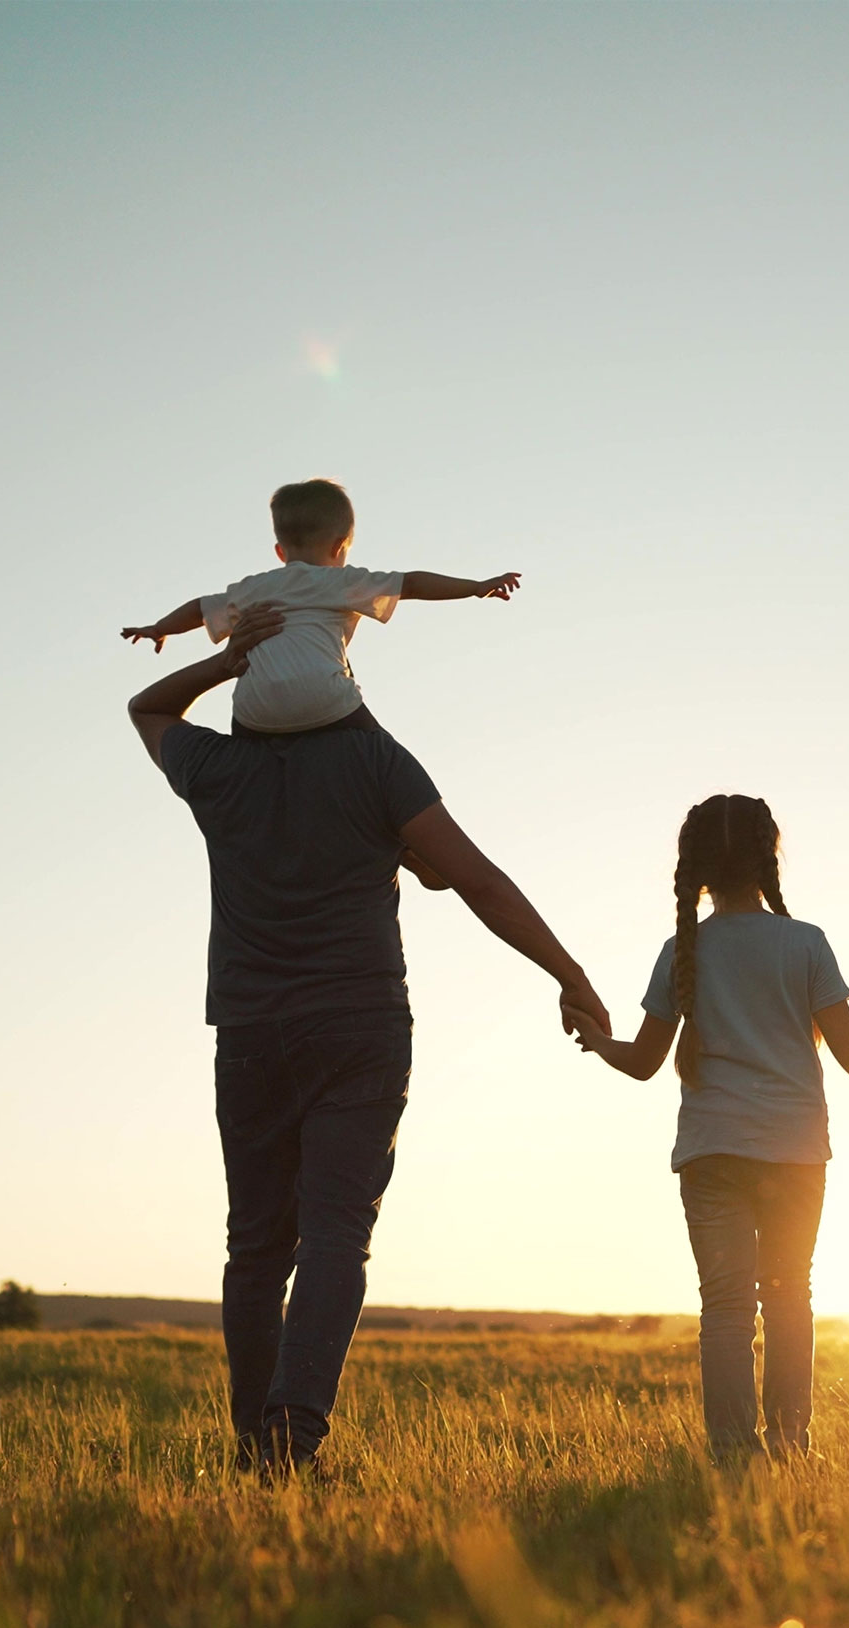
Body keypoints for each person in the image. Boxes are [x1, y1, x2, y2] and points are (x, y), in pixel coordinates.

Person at [129, 602, 607, 1473]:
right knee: (336, 1237)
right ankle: (292, 1436)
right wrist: (568, 975)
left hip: (247, 1029)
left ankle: (255, 1446)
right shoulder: (374, 759)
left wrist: (226, 661)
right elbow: (475, 878)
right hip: (358, 1025)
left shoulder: (215, 766)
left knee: (255, 1245)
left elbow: (148, 708)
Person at [570, 794, 849, 1462]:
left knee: (723, 1307)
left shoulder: (680, 951)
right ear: (768, 855)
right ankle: (791, 1445)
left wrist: (597, 1041)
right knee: (787, 1297)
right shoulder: (803, 944)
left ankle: (732, 1454)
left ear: (697, 870)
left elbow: (642, 1061)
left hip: (711, 1152)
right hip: (795, 1153)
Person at [121, 477, 520, 735]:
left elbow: (198, 608)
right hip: (326, 700)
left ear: (280, 550)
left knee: (246, 735)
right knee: (380, 753)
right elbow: (413, 583)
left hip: (256, 712)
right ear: (339, 547)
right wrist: (475, 587)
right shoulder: (340, 581)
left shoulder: (253, 588)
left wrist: (159, 628)